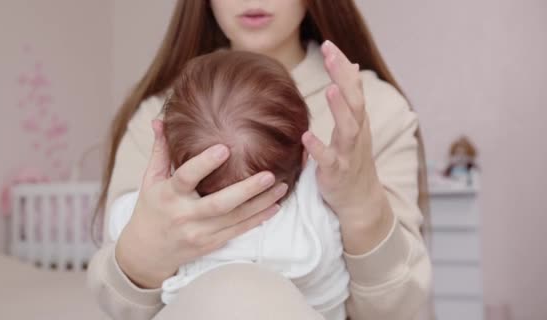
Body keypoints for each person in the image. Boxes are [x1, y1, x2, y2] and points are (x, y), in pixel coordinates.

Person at [88, 1, 432, 319]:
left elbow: (399, 308)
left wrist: (361, 204)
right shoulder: (158, 117)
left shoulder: (376, 110)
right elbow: (115, 305)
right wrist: (145, 251)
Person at [108, 50, 350, 320]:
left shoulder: (165, 217)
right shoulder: (313, 218)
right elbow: (335, 286)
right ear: (305, 156)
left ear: (176, 163)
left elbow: (120, 221)